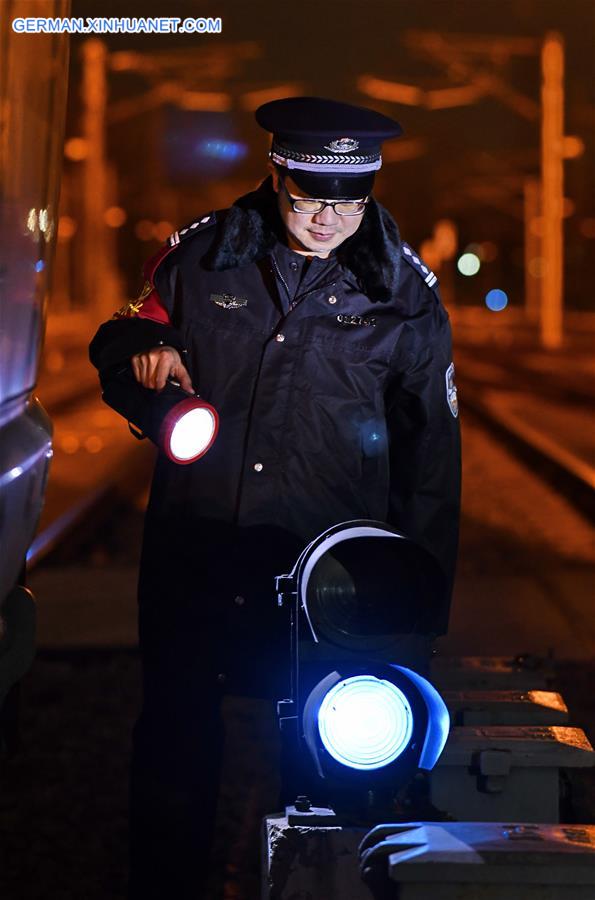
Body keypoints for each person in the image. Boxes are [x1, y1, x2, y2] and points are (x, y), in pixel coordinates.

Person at [89, 96, 461, 899]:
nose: (329, 218)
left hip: (329, 579)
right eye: (310, 196)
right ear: (276, 172)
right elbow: (122, 337)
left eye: (350, 199)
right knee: (175, 751)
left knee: (328, 762)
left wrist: (418, 608)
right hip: (199, 554)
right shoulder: (202, 259)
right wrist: (147, 357)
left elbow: (430, 460)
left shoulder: (400, 292)